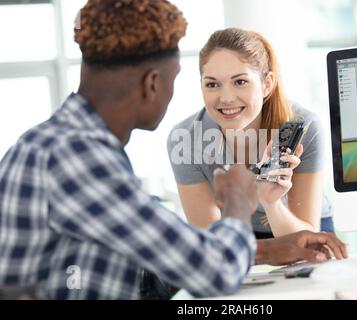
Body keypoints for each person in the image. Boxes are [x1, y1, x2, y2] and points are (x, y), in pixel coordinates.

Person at [0, 0, 261, 300]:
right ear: (152, 83)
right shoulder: (78, 157)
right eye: (174, 79)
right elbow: (218, 273)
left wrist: (266, 249)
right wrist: (238, 202)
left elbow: (152, 252)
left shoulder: (51, 142)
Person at [167, 28, 341, 263]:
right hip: (233, 233)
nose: (226, 98)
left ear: (267, 84)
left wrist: (271, 202)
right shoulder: (186, 139)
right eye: (212, 84)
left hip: (297, 226)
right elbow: (212, 249)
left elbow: (302, 243)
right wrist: (266, 251)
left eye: (240, 82)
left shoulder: (304, 127)